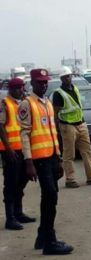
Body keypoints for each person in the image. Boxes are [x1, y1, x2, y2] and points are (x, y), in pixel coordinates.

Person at [19, 68, 73, 254]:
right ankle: (50, 241)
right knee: (50, 195)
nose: (44, 84)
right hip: (38, 160)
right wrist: (28, 162)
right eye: (40, 82)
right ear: (32, 83)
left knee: (51, 196)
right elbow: (24, 135)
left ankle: (42, 235)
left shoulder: (48, 103)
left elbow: (53, 133)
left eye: (45, 81)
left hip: (51, 157)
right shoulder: (27, 104)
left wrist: (58, 159)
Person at [52, 66, 91, 188]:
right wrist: (57, 129)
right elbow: (55, 113)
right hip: (67, 125)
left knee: (87, 151)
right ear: (61, 78)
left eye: (69, 76)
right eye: (65, 77)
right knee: (69, 154)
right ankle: (70, 179)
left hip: (80, 124)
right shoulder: (58, 94)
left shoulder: (75, 88)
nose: (67, 78)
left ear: (71, 76)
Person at [0, 78, 35, 230]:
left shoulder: (23, 103)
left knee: (22, 181)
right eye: (15, 88)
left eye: (21, 87)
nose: (19, 90)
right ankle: (10, 218)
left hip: (23, 150)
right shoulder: (5, 104)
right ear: (10, 89)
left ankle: (19, 213)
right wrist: (8, 148)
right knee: (11, 184)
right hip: (11, 151)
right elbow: (0, 126)